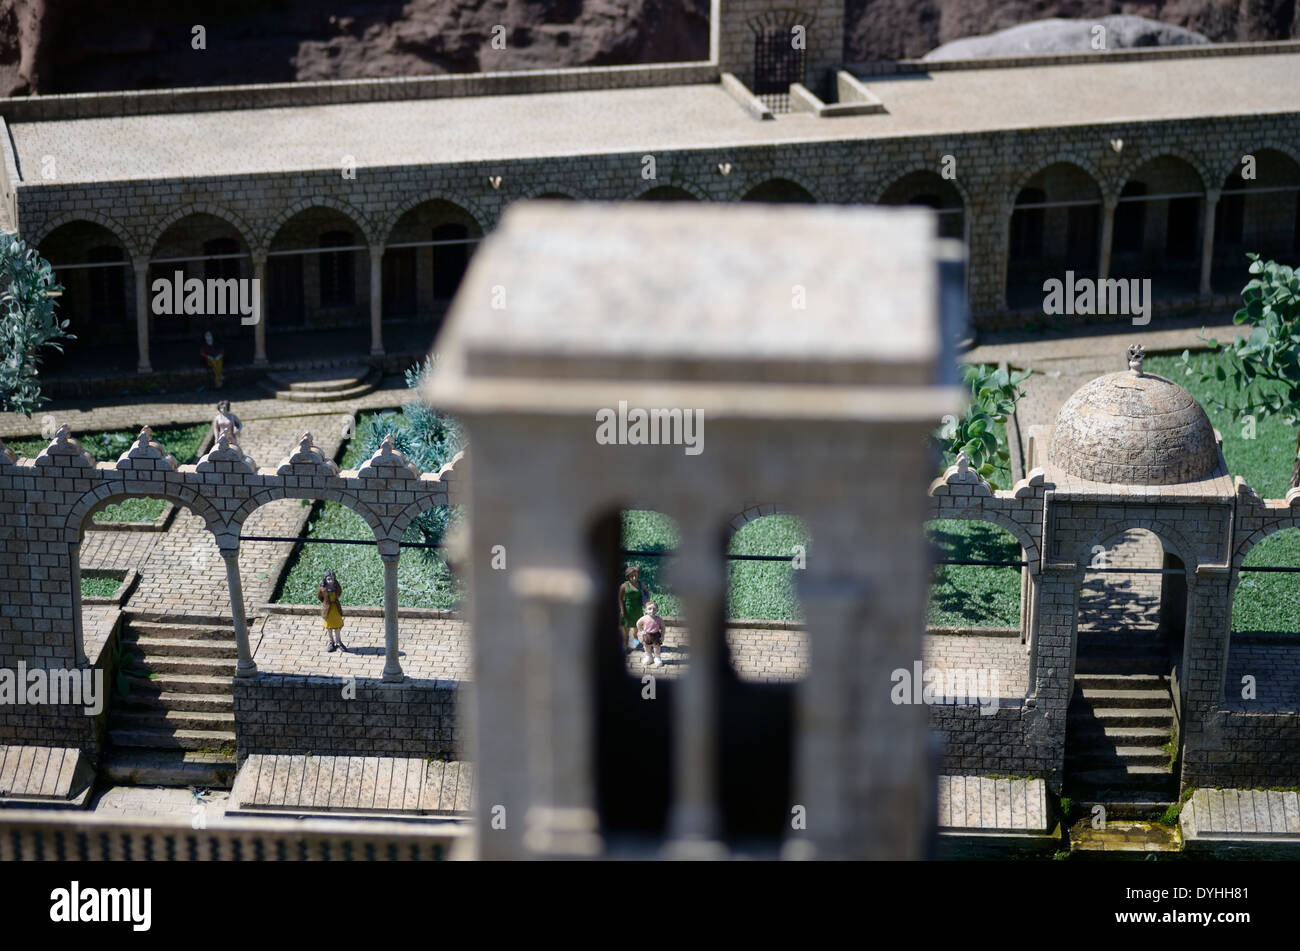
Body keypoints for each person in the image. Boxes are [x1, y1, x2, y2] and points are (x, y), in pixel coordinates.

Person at [617, 565, 651, 653]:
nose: (634, 577)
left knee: (636, 629)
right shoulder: (624, 586)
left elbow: (647, 592)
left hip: (638, 609)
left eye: (636, 575)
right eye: (632, 576)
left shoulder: (640, 584)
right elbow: (620, 599)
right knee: (626, 631)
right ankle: (625, 644)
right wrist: (622, 610)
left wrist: (647, 600)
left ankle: (635, 642)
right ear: (628, 576)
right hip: (627, 610)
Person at [317, 570, 346, 652]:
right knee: (329, 628)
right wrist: (326, 603)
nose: (331, 581)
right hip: (328, 611)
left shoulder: (336, 586)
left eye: (332, 579)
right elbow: (319, 597)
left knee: (337, 626)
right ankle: (331, 642)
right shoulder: (322, 589)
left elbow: (339, 592)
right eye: (329, 579)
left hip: (335, 609)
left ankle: (339, 642)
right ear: (325, 579)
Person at [636, 601, 665, 667]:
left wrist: (662, 636)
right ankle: (649, 657)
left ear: (657, 610)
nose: (652, 611)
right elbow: (638, 624)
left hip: (656, 635)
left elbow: (663, 627)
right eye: (649, 609)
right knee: (646, 647)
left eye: (654, 609)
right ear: (646, 610)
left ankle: (657, 657)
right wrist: (641, 630)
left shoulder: (659, 619)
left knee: (657, 647)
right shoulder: (644, 618)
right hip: (647, 635)